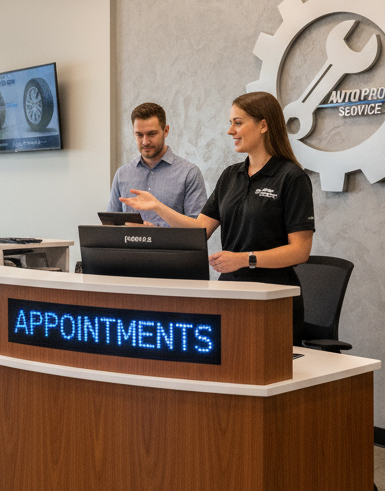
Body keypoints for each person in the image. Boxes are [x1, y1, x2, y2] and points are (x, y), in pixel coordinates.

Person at [120, 91, 314, 343]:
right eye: (230, 123)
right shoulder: (230, 176)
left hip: (274, 297)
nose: (230, 130)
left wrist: (245, 259)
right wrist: (158, 208)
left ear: (263, 125)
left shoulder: (292, 177)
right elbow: (200, 229)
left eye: (238, 122)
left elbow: (300, 251)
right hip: (230, 292)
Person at [107, 102, 206, 227]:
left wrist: (155, 233)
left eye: (151, 134)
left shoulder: (189, 173)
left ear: (165, 131)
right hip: (131, 247)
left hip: (170, 247)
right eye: (139, 135)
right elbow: (110, 226)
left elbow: (198, 231)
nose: (145, 141)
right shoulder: (122, 174)